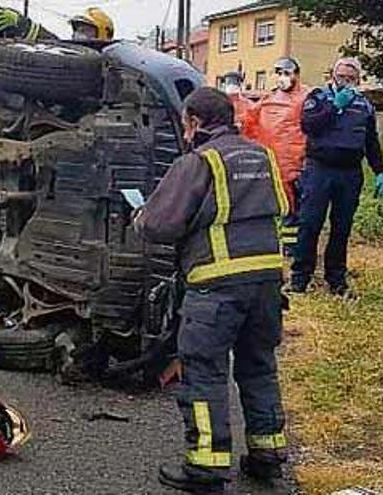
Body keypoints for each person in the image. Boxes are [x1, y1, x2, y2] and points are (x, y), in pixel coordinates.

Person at [134, 88, 289, 493]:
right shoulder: (263, 155)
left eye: (186, 123)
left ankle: (206, 468)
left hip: (217, 287)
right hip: (268, 281)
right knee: (259, 367)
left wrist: (140, 217)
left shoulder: (199, 162)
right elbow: (283, 209)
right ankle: (267, 456)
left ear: (195, 122)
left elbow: (159, 225)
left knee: (204, 373)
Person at [290, 57, 383, 296]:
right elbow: (309, 126)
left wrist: (379, 172)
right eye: (341, 76)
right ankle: (300, 278)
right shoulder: (318, 98)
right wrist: (335, 107)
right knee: (310, 223)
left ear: (358, 81)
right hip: (319, 169)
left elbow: (371, 141)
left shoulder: (364, 105)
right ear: (332, 76)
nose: (345, 82)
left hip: (350, 173)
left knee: (341, 227)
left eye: (351, 78)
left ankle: (336, 279)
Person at [241, 57, 309, 254]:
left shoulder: (307, 96)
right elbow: (248, 122)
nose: (282, 78)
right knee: (281, 210)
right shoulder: (268, 99)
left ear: (296, 74)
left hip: (299, 165)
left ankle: (296, 247)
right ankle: (286, 246)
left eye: (286, 73)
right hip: (273, 165)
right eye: (278, 73)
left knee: (298, 210)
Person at [0, 6, 114, 42]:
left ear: (104, 33)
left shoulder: (111, 62)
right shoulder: (73, 54)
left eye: (86, 30)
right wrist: (22, 26)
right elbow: (52, 42)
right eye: (78, 29)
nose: (79, 34)